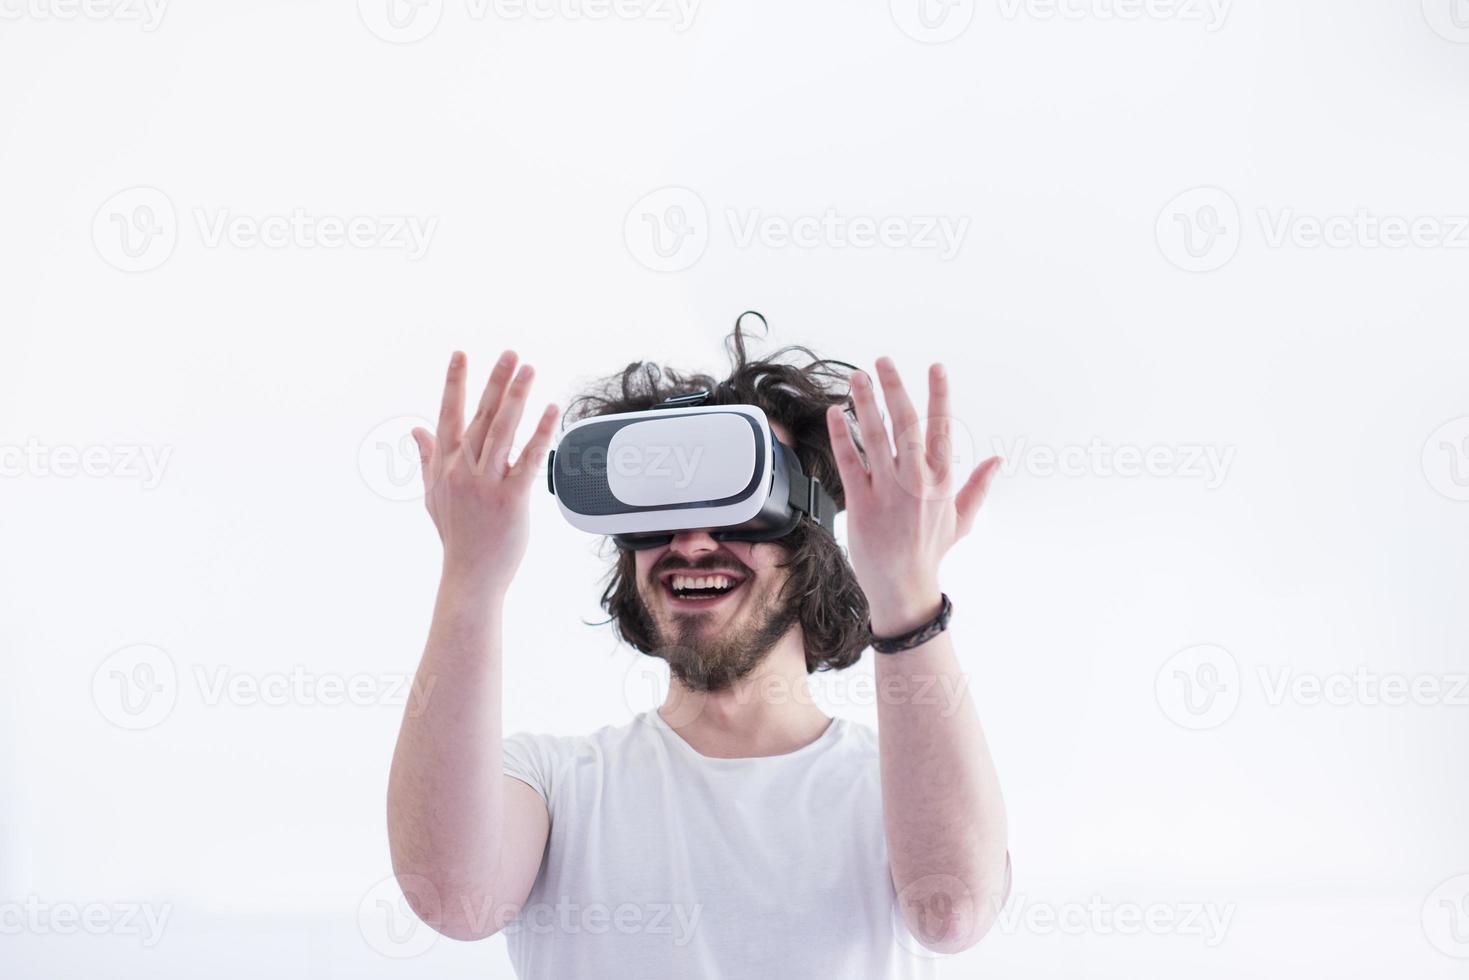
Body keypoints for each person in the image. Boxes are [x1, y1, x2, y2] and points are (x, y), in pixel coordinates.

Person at [386, 317, 1011, 979]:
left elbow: (951, 915)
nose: (689, 542)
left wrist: (906, 589)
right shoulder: (556, 786)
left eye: (740, 506)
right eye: (658, 512)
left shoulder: (899, 787)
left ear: (810, 541)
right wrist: (470, 577)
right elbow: (451, 898)